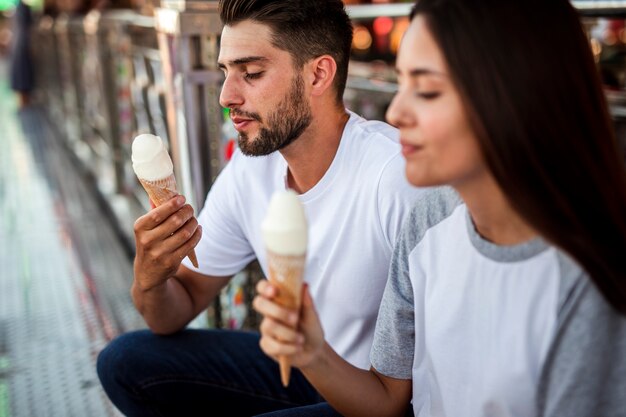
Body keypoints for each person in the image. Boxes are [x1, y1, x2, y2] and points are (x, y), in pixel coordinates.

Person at [254, 0, 626, 416]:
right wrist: (311, 351)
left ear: (513, 97)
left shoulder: (588, 287)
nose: (396, 111)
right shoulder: (429, 219)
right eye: (401, 83)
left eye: (427, 90)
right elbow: (387, 399)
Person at [96, 0, 424, 416]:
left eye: (251, 73)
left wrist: (309, 351)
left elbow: (409, 395)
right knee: (125, 362)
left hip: (383, 397)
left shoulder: (394, 177)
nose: (225, 96)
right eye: (225, 73)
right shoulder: (253, 169)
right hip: (302, 369)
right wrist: (149, 278)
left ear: (318, 74)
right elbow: (174, 311)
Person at [9, 0, 35, 108]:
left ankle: (24, 100)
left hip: (18, 43)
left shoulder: (17, 8)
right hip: (22, 43)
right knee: (23, 72)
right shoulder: (23, 7)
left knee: (21, 72)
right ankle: (24, 100)